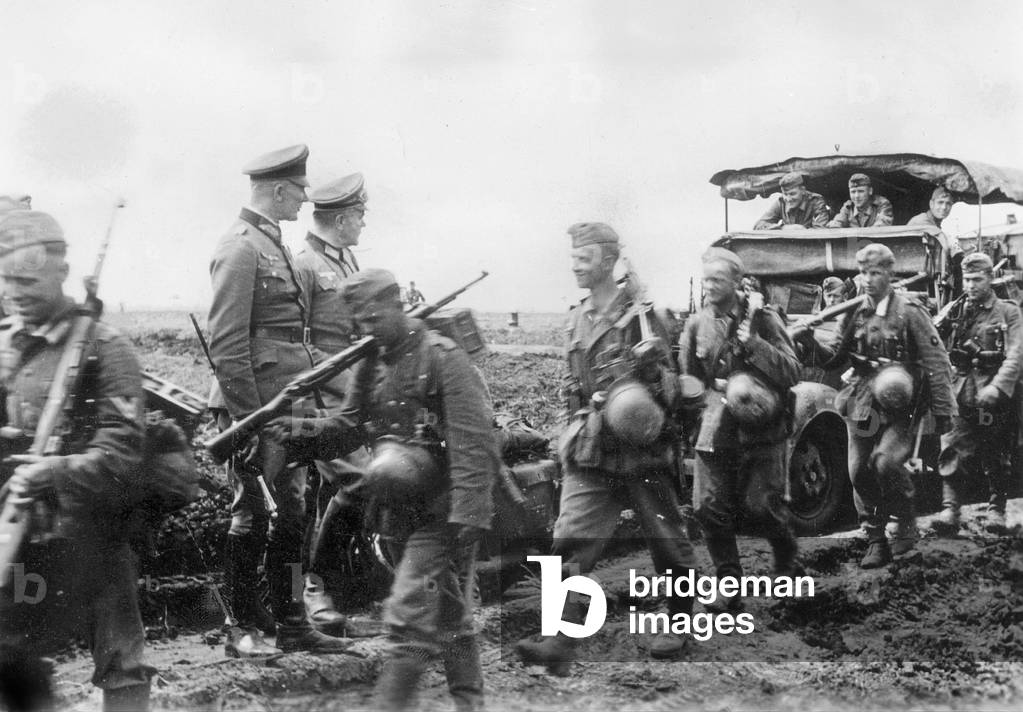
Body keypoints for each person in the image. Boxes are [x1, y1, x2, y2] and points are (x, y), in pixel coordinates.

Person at [263, 268, 499, 711]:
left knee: (408, 610)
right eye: (360, 323)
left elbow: (474, 443)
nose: (366, 330)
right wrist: (297, 431)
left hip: (444, 510)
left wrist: (469, 515)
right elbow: (349, 426)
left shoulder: (442, 357)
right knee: (448, 611)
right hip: (398, 507)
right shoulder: (372, 360)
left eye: (373, 319)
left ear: (396, 304)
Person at [515, 222, 697, 672]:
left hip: (643, 452)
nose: (576, 264)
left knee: (667, 545)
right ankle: (559, 638)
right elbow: (568, 384)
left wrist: (649, 380)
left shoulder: (643, 315)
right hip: (592, 448)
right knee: (567, 543)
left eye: (585, 257)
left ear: (609, 260)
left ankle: (678, 622)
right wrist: (573, 422)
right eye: (573, 257)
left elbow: (674, 387)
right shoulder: (577, 317)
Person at [0, 210, 154, 711]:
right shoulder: (8, 345)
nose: (15, 290)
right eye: (6, 279)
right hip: (24, 531)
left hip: (94, 534)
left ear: (60, 273)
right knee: (14, 652)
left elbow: (122, 454)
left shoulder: (105, 350)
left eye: (28, 279)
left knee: (120, 660)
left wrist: (56, 470)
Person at [207, 144, 350, 656]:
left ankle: (291, 620)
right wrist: (248, 423)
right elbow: (227, 344)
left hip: (285, 408)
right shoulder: (240, 248)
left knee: (293, 515)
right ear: (278, 189)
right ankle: (238, 626)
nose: (304, 199)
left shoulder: (274, 245)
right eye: (299, 191)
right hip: (255, 410)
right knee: (251, 514)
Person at [679, 247, 803, 612]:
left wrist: (755, 345)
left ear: (737, 283)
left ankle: (786, 567)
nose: (709, 286)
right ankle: (729, 587)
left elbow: (792, 371)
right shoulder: (696, 324)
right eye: (706, 280)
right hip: (715, 427)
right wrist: (693, 412)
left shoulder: (762, 320)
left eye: (717, 280)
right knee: (708, 507)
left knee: (762, 507)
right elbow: (690, 379)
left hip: (761, 425)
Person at [823, 244, 954, 568]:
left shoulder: (909, 311)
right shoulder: (855, 312)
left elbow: (937, 362)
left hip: (902, 406)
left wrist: (943, 411)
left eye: (875, 273)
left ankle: (906, 522)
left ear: (890, 274)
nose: (867, 280)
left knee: (886, 463)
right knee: (858, 470)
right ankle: (875, 538)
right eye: (863, 273)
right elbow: (835, 357)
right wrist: (806, 337)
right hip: (864, 402)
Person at [292, 173, 382, 637]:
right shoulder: (304, 265)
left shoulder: (347, 262)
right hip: (323, 400)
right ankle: (315, 588)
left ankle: (361, 577)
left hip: (357, 395)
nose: (364, 222)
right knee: (361, 480)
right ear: (343, 217)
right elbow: (298, 343)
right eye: (360, 215)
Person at [935, 252, 1022, 532]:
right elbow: (935, 344)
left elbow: (1016, 355)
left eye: (977, 279)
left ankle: (996, 509)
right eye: (967, 279)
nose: (971, 285)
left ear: (991, 279)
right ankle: (950, 512)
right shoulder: (957, 309)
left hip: (993, 392)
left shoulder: (1008, 312)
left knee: (995, 453)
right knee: (951, 448)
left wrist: (998, 386)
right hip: (960, 389)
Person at [753, 172, 830, 230]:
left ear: (803, 190)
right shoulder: (781, 202)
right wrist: (783, 228)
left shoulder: (816, 201)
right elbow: (758, 225)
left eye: (792, 194)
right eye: (785, 194)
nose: (788, 199)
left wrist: (802, 230)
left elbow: (820, 230)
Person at [828, 174, 894, 228]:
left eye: (861, 191)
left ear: (870, 191)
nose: (856, 196)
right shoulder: (848, 206)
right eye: (853, 192)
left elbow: (881, 226)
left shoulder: (882, 204)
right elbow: (837, 223)